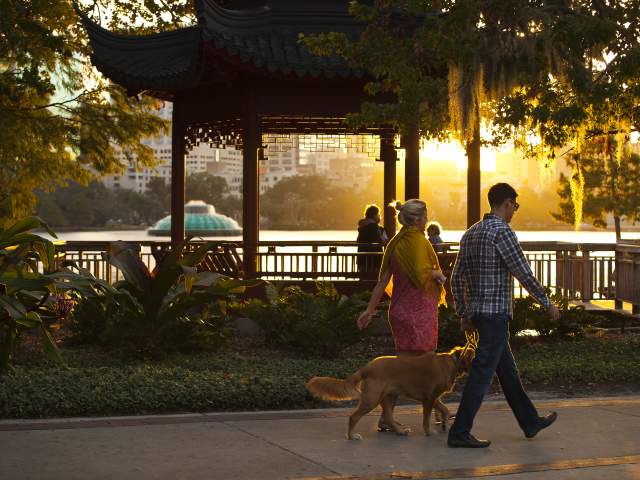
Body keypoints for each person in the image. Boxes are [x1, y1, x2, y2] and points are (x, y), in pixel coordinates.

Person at [447, 183, 560, 448]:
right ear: (507, 203)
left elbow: (456, 277)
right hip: (496, 314)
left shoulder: (471, 233)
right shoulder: (502, 232)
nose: (514, 212)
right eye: (514, 206)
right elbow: (523, 273)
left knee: (506, 371)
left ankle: (530, 421)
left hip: (478, 314)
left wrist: (464, 313)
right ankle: (459, 431)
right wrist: (547, 303)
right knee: (481, 373)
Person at [357, 199, 447, 431]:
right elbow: (424, 274)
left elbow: (382, 282)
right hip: (420, 313)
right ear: (418, 219)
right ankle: (438, 412)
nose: (427, 220)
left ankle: (387, 417)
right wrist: (437, 273)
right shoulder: (420, 243)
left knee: (396, 371)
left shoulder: (394, 243)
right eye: (425, 216)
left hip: (399, 312)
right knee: (429, 368)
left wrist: (369, 309)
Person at [356, 204, 388, 273]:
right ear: (374, 215)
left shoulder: (362, 227)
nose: (379, 216)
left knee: (363, 278)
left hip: (362, 258)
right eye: (378, 214)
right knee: (373, 280)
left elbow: (358, 240)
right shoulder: (374, 227)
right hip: (374, 259)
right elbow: (380, 240)